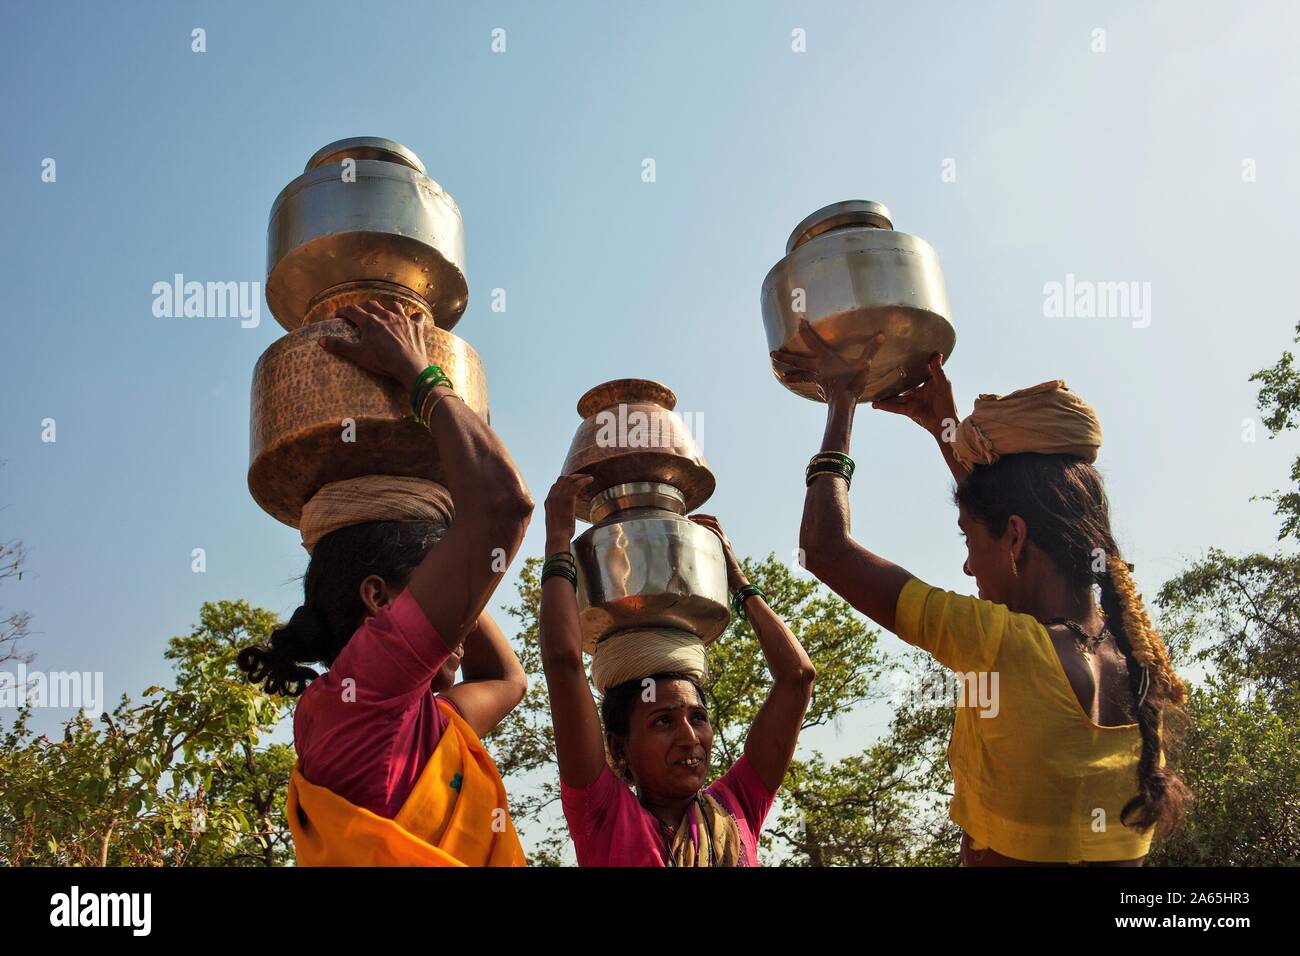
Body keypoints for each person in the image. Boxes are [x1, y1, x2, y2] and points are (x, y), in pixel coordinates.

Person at [774, 319, 1190, 866]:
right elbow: (1003, 513)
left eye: (969, 542)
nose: (968, 565)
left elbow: (823, 549)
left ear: (1015, 537)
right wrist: (944, 427)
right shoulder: (1138, 661)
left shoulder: (1003, 645)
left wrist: (841, 404)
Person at [238, 298, 534, 866]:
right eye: (440, 574)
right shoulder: (363, 705)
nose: (457, 611)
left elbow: (507, 679)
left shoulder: (404, 718)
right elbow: (504, 506)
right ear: (376, 597)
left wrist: (453, 560)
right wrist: (423, 381)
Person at [536, 473, 816, 866]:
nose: (690, 738)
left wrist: (736, 580)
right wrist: (557, 545)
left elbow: (798, 677)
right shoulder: (604, 816)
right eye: (663, 721)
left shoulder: (736, 806)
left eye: (697, 717)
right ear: (619, 748)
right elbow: (564, 664)